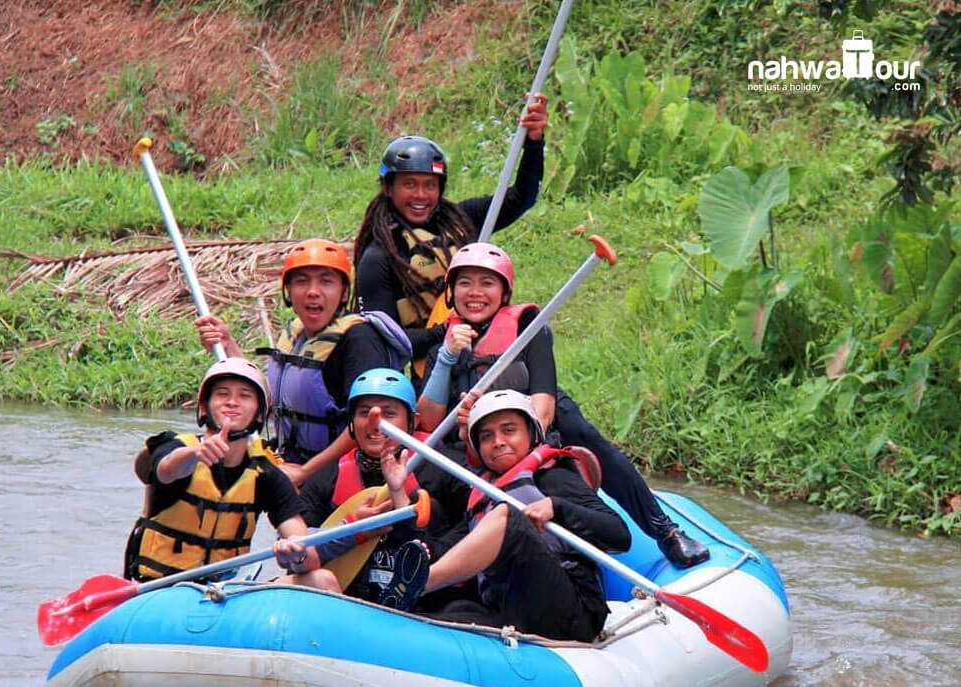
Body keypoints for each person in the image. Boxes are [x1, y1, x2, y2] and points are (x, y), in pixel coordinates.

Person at [416, 243, 711, 569]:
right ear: (451, 291)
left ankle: (665, 530)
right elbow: (429, 423)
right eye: (465, 283)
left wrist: (520, 452)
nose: (475, 293)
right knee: (437, 466)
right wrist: (446, 357)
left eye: (487, 283)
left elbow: (543, 406)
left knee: (588, 436)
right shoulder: (443, 342)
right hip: (478, 437)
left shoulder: (530, 328)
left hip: (539, 425)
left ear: (504, 292)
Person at [378, 390, 631, 643]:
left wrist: (557, 506)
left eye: (509, 430)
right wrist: (398, 491)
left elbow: (620, 535)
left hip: (571, 609)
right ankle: (412, 590)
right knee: (445, 612)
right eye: (487, 436)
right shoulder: (480, 497)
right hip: (510, 609)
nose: (498, 441)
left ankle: (418, 585)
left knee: (507, 515)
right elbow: (438, 553)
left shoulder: (554, 477)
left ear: (531, 433)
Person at [352, 94, 549, 372]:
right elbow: (378, 342)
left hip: (484, 356)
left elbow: (522, 197)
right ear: (387, 187)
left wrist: (534, 141)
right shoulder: (378, 258)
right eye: (409, 184)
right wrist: (448, 331)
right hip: (429, 371)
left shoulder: (460, 220)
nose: (421, 195)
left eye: (430, 185)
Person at [195, 238, 410, 486]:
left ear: (344, 292)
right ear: (288, 291)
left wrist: (306, 472)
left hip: (344, 477)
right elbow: (269, 400)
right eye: (301, 281)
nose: (313, 291)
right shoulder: (297, 335)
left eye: (326, 281)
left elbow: (368, 425)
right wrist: (226, 343)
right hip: (295, 466)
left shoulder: (360, 342)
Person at [123, 357, 340, 592]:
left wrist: (297, 555)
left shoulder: (264, 475)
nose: (232, 402)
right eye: (222, 394)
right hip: (157, 591)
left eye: (245, 396)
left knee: (322, 580)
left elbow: (307, 550)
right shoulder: (176, 449)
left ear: (259, 414)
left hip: (219, 595)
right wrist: (195, 454)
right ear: (205, 406)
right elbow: (166, 470)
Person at [298, 368, 467, 604]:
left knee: (434, 509)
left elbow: (472, 528)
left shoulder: (443, 469)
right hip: (348, 601)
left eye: (389, 413)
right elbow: (295, 551)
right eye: (364, 413)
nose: (375, 423)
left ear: (412, 422)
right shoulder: (326, 480)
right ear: (351, 423)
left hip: (425, 606)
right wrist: (352, 529)